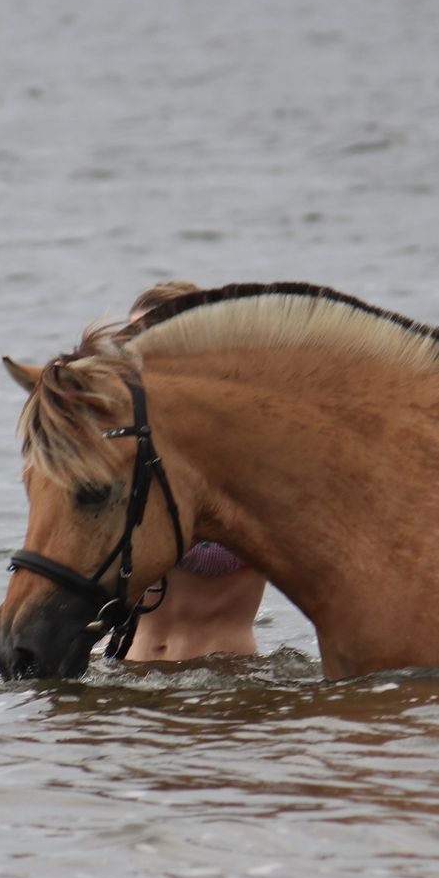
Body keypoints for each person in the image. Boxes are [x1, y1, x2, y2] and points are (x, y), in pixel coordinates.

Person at [116, 281, 269, 662]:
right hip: (130, 675)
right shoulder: (126, 458)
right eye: (132, 345)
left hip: (226, 680)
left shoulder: (253, 455)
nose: (140, 359)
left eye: (153, 342)